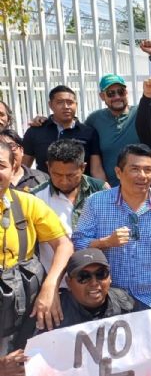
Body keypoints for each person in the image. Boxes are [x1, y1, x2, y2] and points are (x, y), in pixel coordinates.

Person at [71, 144, 151, 314]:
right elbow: (78, 243)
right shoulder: (96, 203)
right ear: (119, 172)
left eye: (148, 170)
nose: (142, 176)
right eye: (135, 169)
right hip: (112, 301)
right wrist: (106, 242)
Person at [0, 141, 74, 353]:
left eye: (1, 165)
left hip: (23, 307)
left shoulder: (27, 203)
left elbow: (64, 245)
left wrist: (50, 288)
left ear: (14, 167)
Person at [85, 39, 151, 186]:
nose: (117, 96)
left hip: (144, 187)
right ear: (102, 96)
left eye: (120, 91)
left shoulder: (143, 111)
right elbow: (77, 135)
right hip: (111, 192)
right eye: (111, 93)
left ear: (127, 92)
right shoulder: (94, 119)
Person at [32, 139, 108, 286]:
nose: (64, 181)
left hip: (97, 284)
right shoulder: (35, 198)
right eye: (57, 175)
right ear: (48, 167)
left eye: (71, 175)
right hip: (57, 285)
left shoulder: (101, 191)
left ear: (83, 167)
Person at [21, 85, 107, 181]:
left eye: (70, 102)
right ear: (50, 105)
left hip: (80, 191)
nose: (66, 107)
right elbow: (23, 167)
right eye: (60, 102)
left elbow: (96, 170)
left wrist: (104, 190)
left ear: (76, 104)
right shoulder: (35, 131)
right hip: (45, 190)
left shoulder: (88, 133)